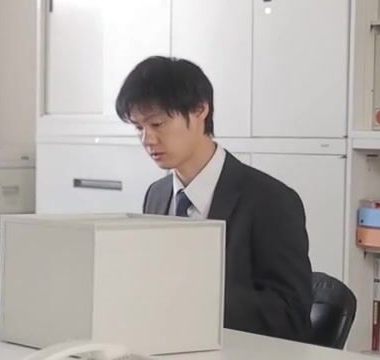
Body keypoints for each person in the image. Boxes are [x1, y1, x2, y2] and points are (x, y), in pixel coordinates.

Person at [115, 56, 313, 342]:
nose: (147, 139)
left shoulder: (271, 201)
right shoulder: (157, 194)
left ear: (200, 110)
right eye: (138, 128)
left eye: (158, 123)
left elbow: (291, 316)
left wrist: (192, 296)